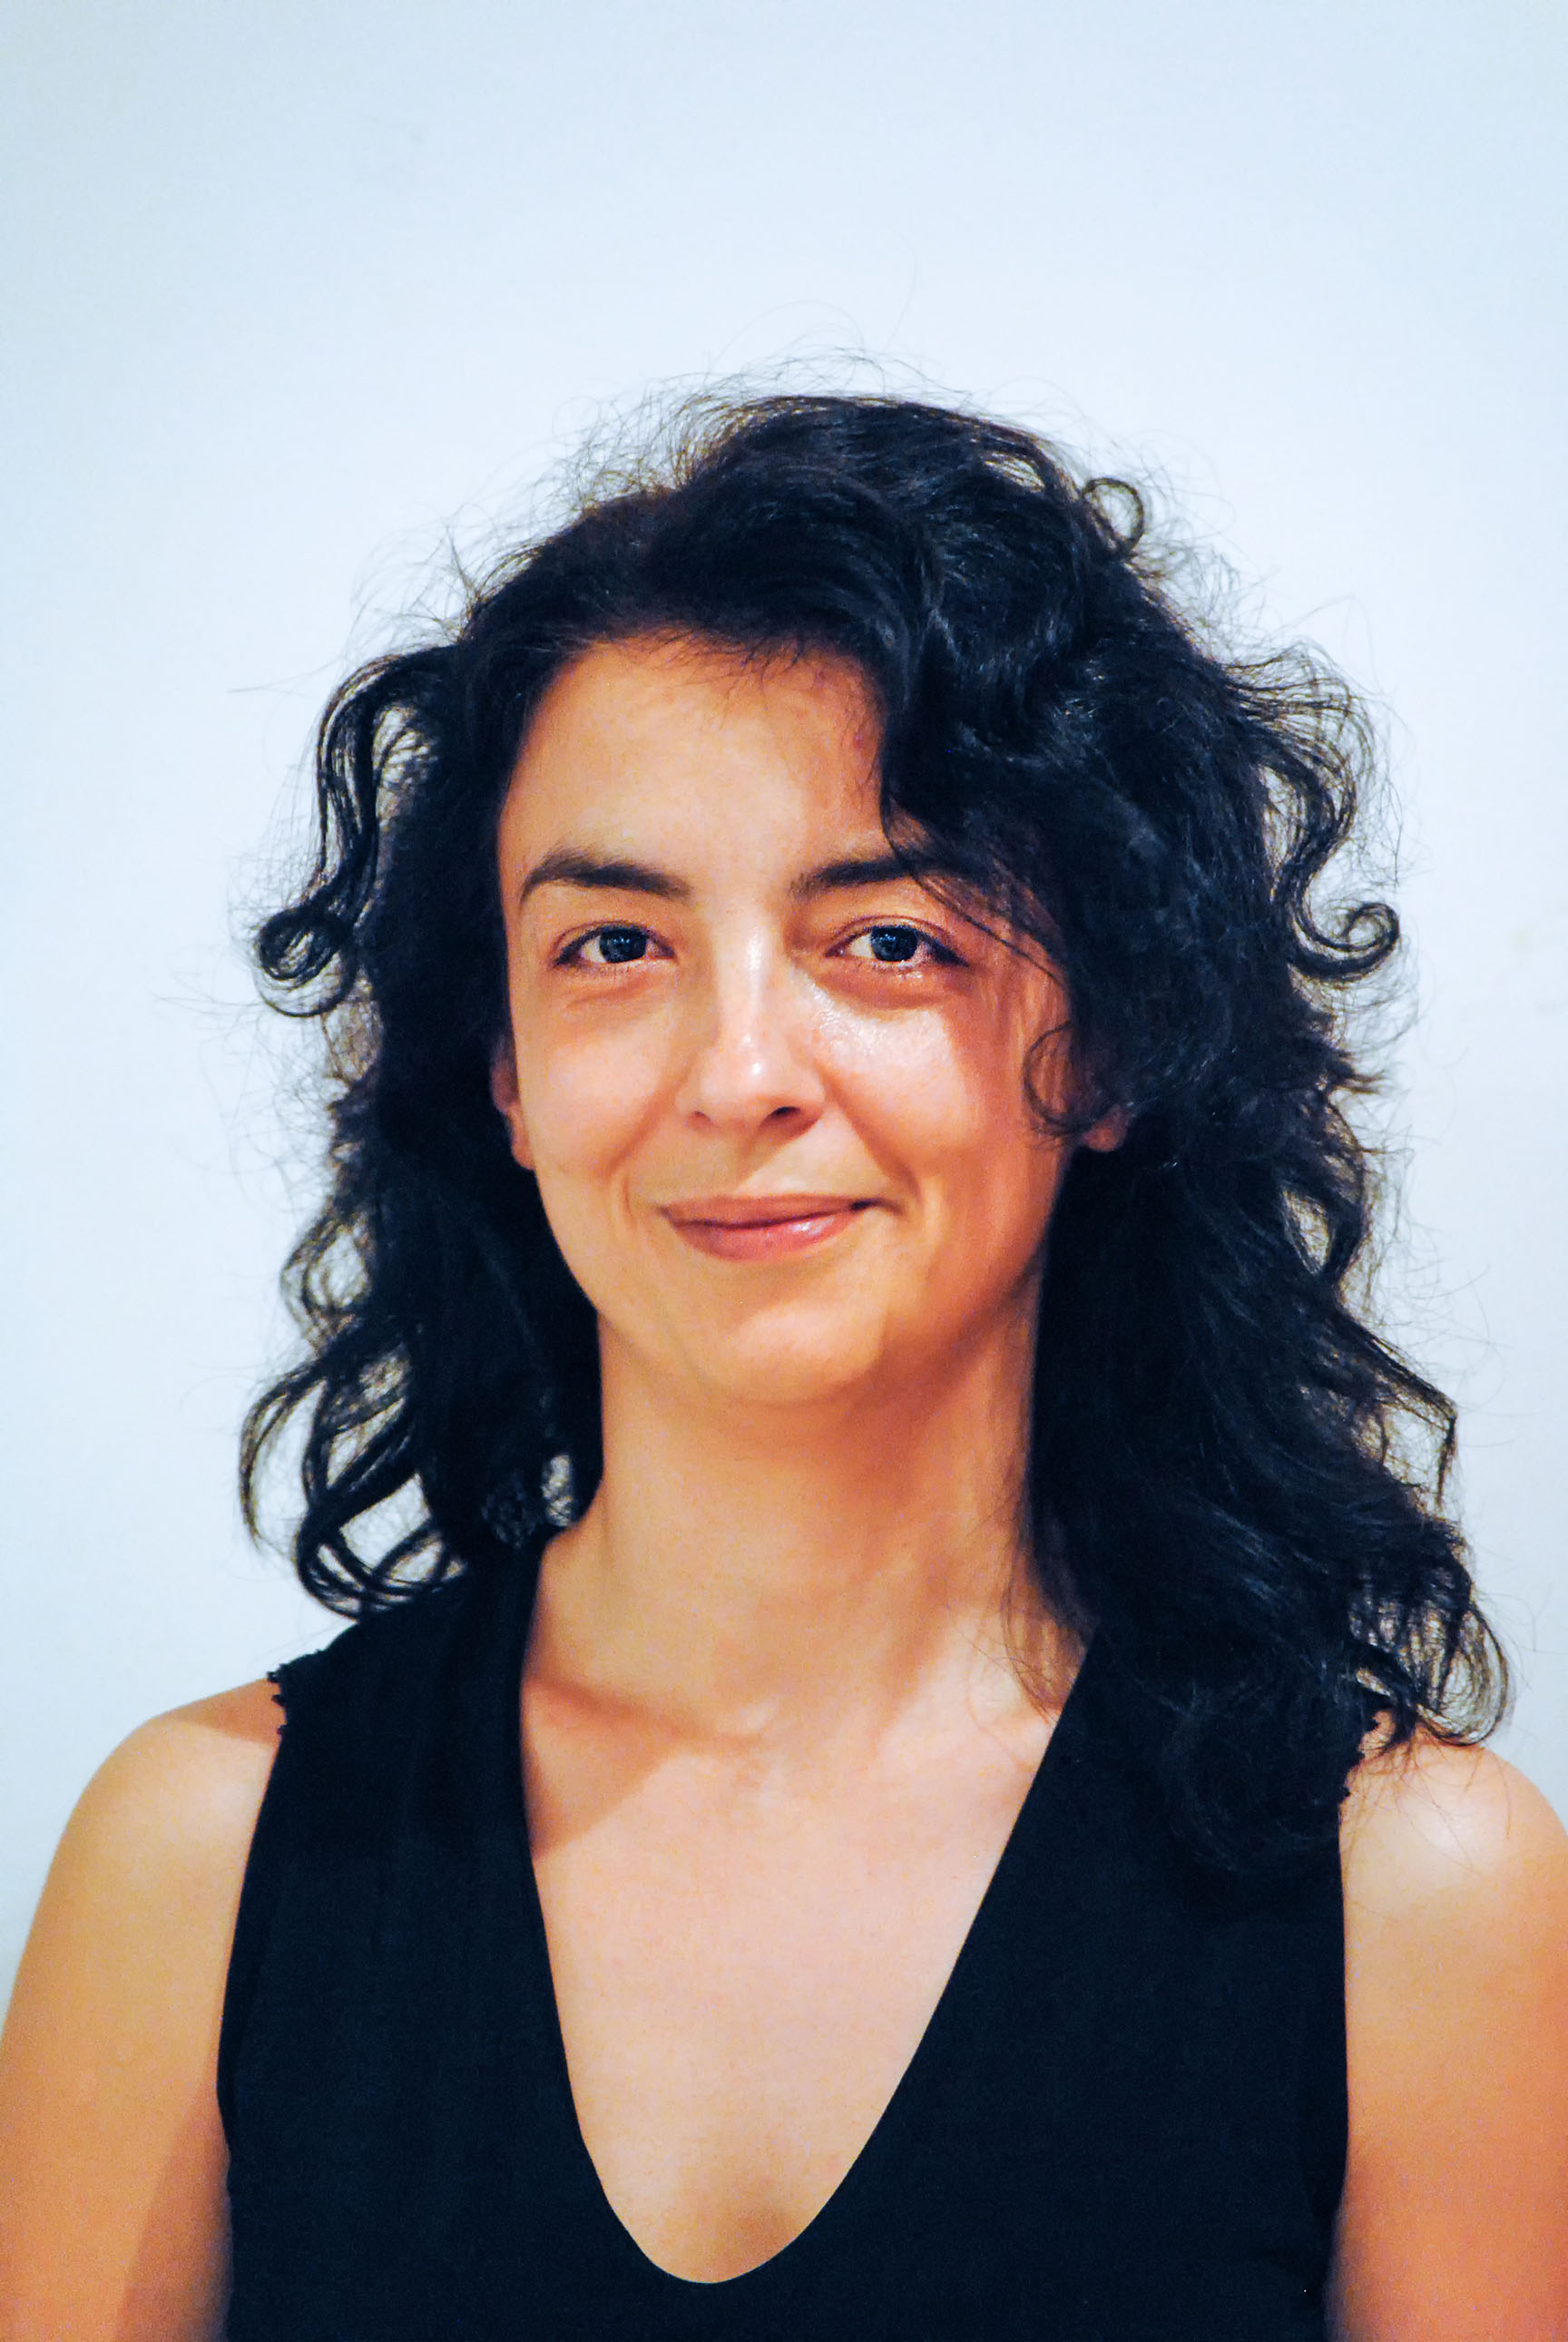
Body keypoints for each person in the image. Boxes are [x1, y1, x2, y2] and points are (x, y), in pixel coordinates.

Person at [1, 393, 1564, 2342]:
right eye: (612, 947)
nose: (739, 1072)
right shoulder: (200, 1859)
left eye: (888, 939)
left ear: (1113, 1041)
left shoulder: (1414, 1899)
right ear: (503, 1071)